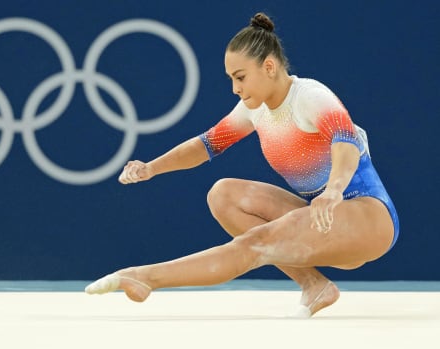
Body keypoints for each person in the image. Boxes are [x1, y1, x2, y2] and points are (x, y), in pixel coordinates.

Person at [84, 12, 399, 318]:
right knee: (224, 195)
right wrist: (152, 167)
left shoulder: (311, 97)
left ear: (270, 67)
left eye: (240, 77)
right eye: (231, 79)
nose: (235, 88)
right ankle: (314, 286)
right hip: (321, 215)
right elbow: (205, 145)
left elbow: (346, 141)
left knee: (257, 244)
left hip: (368, 219)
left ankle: (146, 278)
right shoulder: (254, 109)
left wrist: (333, 190)